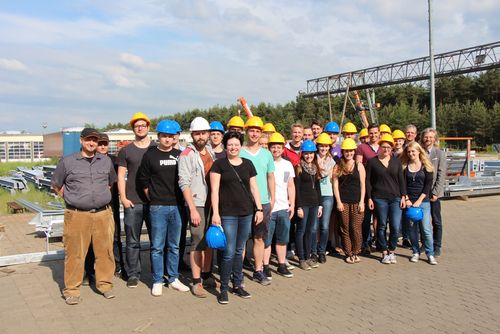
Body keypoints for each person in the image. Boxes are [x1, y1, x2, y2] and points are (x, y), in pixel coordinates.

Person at [52, 128, 117, 305]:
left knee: (105, 252)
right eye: (89, 140)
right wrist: (73, 199)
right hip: (77, 215)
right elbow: (56, 185)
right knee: (75, 254)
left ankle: (105, 284)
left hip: (103, 215)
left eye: (95, 140)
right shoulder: (67, 162)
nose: (92, 143)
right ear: (81, 140)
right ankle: (72, 290)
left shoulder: (105, 162)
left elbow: (110, 183)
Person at [210, 131, 264, 304]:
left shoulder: (248, 164)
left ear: (241, 146)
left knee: (240, 251)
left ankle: (238, 284)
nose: (233, 147)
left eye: (236, 144)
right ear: (226, 146)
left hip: (246, 213)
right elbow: (215, 191)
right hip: (227, 215)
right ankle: (224, 288)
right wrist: (216, 213)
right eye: (230, 144)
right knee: (228, 252)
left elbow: (254, 188)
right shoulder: (219, 165)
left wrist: (259, 209)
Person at [138, 120, 190, 296]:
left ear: (176, 137)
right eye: (164, 136)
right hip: (158, 206)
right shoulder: (150, 155)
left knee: (174, 245)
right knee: (157, 246)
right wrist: (153, 198)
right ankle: (157, 280)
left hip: (177, 206)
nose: (167, 139)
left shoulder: (180, 155)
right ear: (158, 136)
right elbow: (143, 180)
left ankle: (173, 278)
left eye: (170, 136)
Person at [178, 117, 216, 298]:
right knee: (197, 240)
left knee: (209, 240)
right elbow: (184, 183)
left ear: (208, 134)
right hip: (197, 203)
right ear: (192, 135)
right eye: (197, 133)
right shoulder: (186, 154)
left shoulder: (210, 152)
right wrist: (192, 209)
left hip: (211, 203)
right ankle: (196, 281)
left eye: (203, 133)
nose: (201, 136)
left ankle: (207, 274)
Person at [83, 133, 123, 286]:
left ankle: (118, 266)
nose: (102, 147)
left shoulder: (114, 161)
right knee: (92, 241)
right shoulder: (90, 161)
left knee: (115, 238)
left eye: (105, 144)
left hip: (112, 205)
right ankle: (90, 272)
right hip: (95, 207)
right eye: (100, 144)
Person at [118, 112, 153, 288]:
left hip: (153, 202)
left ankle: (158, 273)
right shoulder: (126, 151)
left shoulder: (156, 148)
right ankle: (133, 274)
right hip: (132, 202)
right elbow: (121, 175)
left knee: (157, 239)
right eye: (137, 126)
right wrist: (123, 198)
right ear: (133, 129)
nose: (140, 128)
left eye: (143, 125)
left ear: (148, 127)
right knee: (132, 240)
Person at [240, 116, 275, 285]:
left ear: (261, 133)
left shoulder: (267, 154)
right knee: (241, 240)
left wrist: (272, 198)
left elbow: (270, 177)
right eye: (251, 130)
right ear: (247, 132)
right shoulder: (238, 151)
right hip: (243, 203)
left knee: (259, 238)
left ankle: (258, 270)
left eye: (257, 131)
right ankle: (237, 272)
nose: (254, 134)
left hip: (263, 202)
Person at [366, 134, 407, 264]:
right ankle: (384, 251)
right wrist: (369, 198)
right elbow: (368, 182)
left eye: (389, 147)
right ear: (380, 147)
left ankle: (392, 249)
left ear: (392, 148)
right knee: (382, 225)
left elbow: (401, 180)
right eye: (383, 147)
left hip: (395, 198)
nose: (386, 150)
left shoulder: (396, 162)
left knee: (395, 226)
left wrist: (403, 196)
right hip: (379, 198)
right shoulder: (372, 162)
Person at [400, 141, 438, 265]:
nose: (411, 154)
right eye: (409, 152)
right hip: (409, 202)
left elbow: (427, 187)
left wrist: (419, 201)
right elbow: (403, 185)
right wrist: (406, 199)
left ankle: (430, 253)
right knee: (412, 230)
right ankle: (415, 252)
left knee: (426, 229)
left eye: (413, 151)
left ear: (419, 152)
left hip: (423, 202)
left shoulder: (427, 167)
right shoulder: (405, 167)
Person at [264, 133, 295, 278]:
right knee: (266, 240)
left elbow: (290, 186)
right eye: (273, 147)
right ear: (269, 148)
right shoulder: (265, 162)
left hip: (283, 208)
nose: (276, 149)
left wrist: (292, 204)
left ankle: (282, 264)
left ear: (283, 148)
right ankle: (265, 266)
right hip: (269, 208)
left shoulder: (287, 164)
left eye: (278, 147)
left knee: (282, 239)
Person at [333, 138, 365, 264]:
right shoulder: (338, 166)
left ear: (354, 151)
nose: (349, 153)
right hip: (344, 202)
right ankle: (348, 252)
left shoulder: (359, 165)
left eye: (351, 151)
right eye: (346, 151)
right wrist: (339, 202)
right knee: (344, 227)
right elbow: (335, 185)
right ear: (343, 152)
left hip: (357, 201)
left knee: (355, 227)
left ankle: (356, 251)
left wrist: (362, 201)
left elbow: (363, 185)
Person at [294, 140, 322, 270]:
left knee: (310, 231)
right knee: (301, 231)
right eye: (306, 153)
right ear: (302, 154)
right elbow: (297, 189)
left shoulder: (315, 168)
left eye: (311, 153)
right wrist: (298, 207)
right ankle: (301, 258)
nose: (309, 156)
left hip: (314, 204)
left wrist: (320, 205)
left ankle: (308, 256)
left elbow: (318, 187)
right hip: (303, 204)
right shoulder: (298, 168)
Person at [420, 128, 446, 257]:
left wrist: (436, 192)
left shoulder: (439, 154)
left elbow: (441, 174)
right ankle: (425, 244)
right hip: (421, 193)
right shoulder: (419, 152)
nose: (428, 139)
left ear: (435, 139)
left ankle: (437, 246)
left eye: (431, 137)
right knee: (423, 221)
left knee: (436, 221)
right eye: (426, 137)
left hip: (434, 193)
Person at [356, 123, 380, 254]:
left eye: (376, 132)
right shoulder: (362, 148)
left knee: (379, 217)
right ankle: (365, 243)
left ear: (379, 133)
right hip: (366, 186)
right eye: (371, 133)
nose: (373, 135)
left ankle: (379, 241)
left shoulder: (383, 147)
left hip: (380, 187)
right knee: (366, 217)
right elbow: (358, 165)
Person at [312, 133, 335, 264]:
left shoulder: (332, 161)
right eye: (321, 146)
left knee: (325, 226)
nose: (324, 148)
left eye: (326, 146)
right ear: (318, 146)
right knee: (314, 226)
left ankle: (322, 251)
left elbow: (333, 179)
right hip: (315, 195)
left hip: (327, 195)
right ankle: (313, 251)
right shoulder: (312, 159)